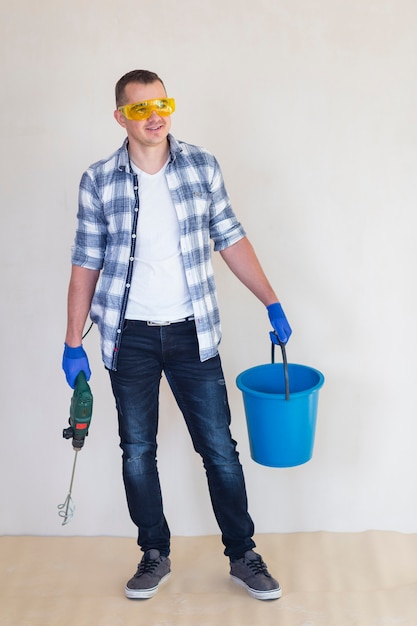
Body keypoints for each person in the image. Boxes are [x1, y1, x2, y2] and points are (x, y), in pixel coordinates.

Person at [62, 69, 292, 601]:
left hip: (194, 334)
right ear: (121, 116)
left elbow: (231, 239)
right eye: (140, 108)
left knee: (219, 449)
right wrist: (73, 340)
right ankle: (153, 553)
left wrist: (272, 300)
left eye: (161, 102)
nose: (154, 115)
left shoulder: (202, 167)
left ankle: (243, 555)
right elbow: (84, 263)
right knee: (138, 450)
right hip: (129, 336)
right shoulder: (99, 180)